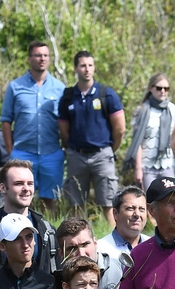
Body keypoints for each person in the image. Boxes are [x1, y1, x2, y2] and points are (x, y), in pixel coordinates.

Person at [58, 51, 125, 227]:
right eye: (83, 65)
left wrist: (109, 150)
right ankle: (79, 239)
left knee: (109, 204)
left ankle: (114, 239)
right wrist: (73, 148)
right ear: (75, 68)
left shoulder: (106, 94)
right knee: (76, 205)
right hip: (76, 155)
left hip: (102, 155)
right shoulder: (68, 96)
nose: (87, 69)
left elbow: (120, 129)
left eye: (90, 65)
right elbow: (64, 129)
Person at [0, 41, 65, 215]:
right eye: (38, 55)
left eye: (45, 55)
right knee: (19, 198)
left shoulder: (60, 88)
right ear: (29, 59)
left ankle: (47, 229)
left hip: (51, 153)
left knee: (49, 200)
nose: (42, 59)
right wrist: (10, 150)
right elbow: (6, 120)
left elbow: (65, 122)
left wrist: (64, 148)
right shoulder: (15, 87)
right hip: (22, 153)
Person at [0, 159, 57, 274]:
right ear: (3, 188)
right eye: (19, 183)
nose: (26, 188)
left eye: (30, 183)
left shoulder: (48, 231)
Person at [123, 73, 175, 190]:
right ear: (150, 88)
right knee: (151, 199)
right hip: (147, 166)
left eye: (166, 88)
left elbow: (173, 137)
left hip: (167, 163)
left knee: (170, 198)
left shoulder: (171, 108)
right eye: (159, 88)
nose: (162, 91)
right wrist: (138, 169)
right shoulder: (141, 110)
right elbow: (137, 142)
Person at [55, 217, 123, 289]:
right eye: (72, 248)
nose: (81, 253)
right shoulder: (57, 281)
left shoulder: (119, 270)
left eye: (85, 244)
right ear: (61, 253)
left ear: (95, 243)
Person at [98, 186, 149, 259]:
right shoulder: (101, 250)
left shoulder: (154, 246)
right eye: (130, 209)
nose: (137, 214)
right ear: (115, 213)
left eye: (141, 209)